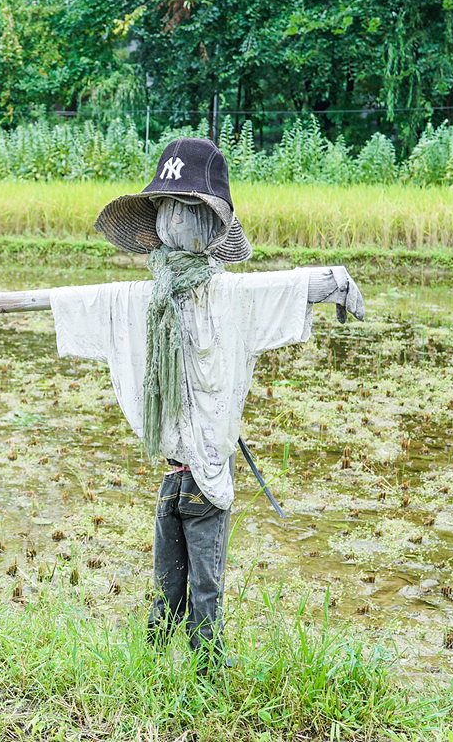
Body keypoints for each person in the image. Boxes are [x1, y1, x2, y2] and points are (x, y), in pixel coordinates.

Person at [47, 137, 364, 669]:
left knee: (204, 589)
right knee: (167, 581)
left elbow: (282, 289)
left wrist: (329, 283)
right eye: (170, 208)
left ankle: (206, 672)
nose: (176, 219)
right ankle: (150, 666)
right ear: (158, 218)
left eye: (188, 209)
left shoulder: (228, 294)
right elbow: (87, 303)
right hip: (175, 474)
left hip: (207, 477)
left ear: (213, 226)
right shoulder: (149, 296)